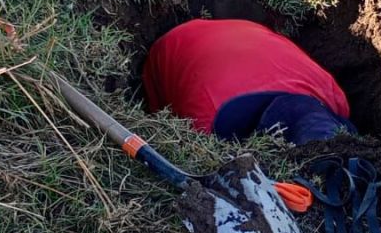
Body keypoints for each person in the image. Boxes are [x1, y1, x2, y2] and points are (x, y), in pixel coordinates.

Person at [142, 18, 356, 145]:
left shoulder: (330, 93)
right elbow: (173, 141)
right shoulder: (206, 123)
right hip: (173, 44)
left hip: (247, 29)